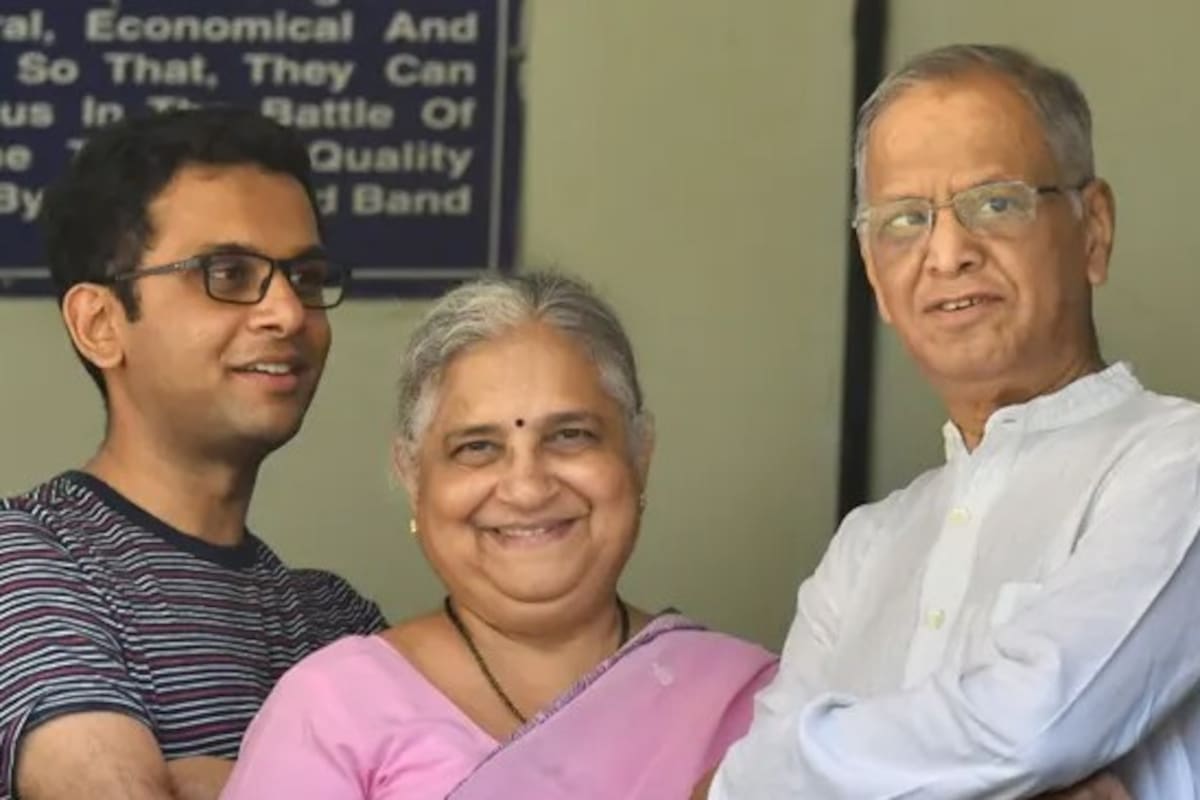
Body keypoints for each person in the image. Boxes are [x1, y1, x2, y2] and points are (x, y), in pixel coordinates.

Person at [703, 43, 1200, 799]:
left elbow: (1032, 730)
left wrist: (758, 777)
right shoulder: (866, 550)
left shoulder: (1175, 465)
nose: (946, 253)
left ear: (1092, 229)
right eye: (904, 220)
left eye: (995, 202)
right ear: (874, 271)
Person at [218, 272, 779, 799]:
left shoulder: (755, 701)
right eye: (477, 447)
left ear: (640, 455)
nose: (527, 487)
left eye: (570, 435)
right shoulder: (332, 708)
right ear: (413, 476)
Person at [0, 107, 387, 800]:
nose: (289, 314)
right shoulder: (25, 560)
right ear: (100, 323)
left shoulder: (335, 621)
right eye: (229, 273)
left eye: (305, 276)